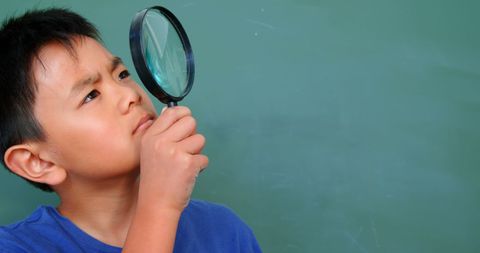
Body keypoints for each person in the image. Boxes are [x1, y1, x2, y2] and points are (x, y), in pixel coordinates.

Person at [0, 8, 261, 253]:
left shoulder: (224, 230)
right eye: (90, 95)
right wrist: (160, 206)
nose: (128, 95)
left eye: (122, 74)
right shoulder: (14, 247)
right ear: (37, 161)